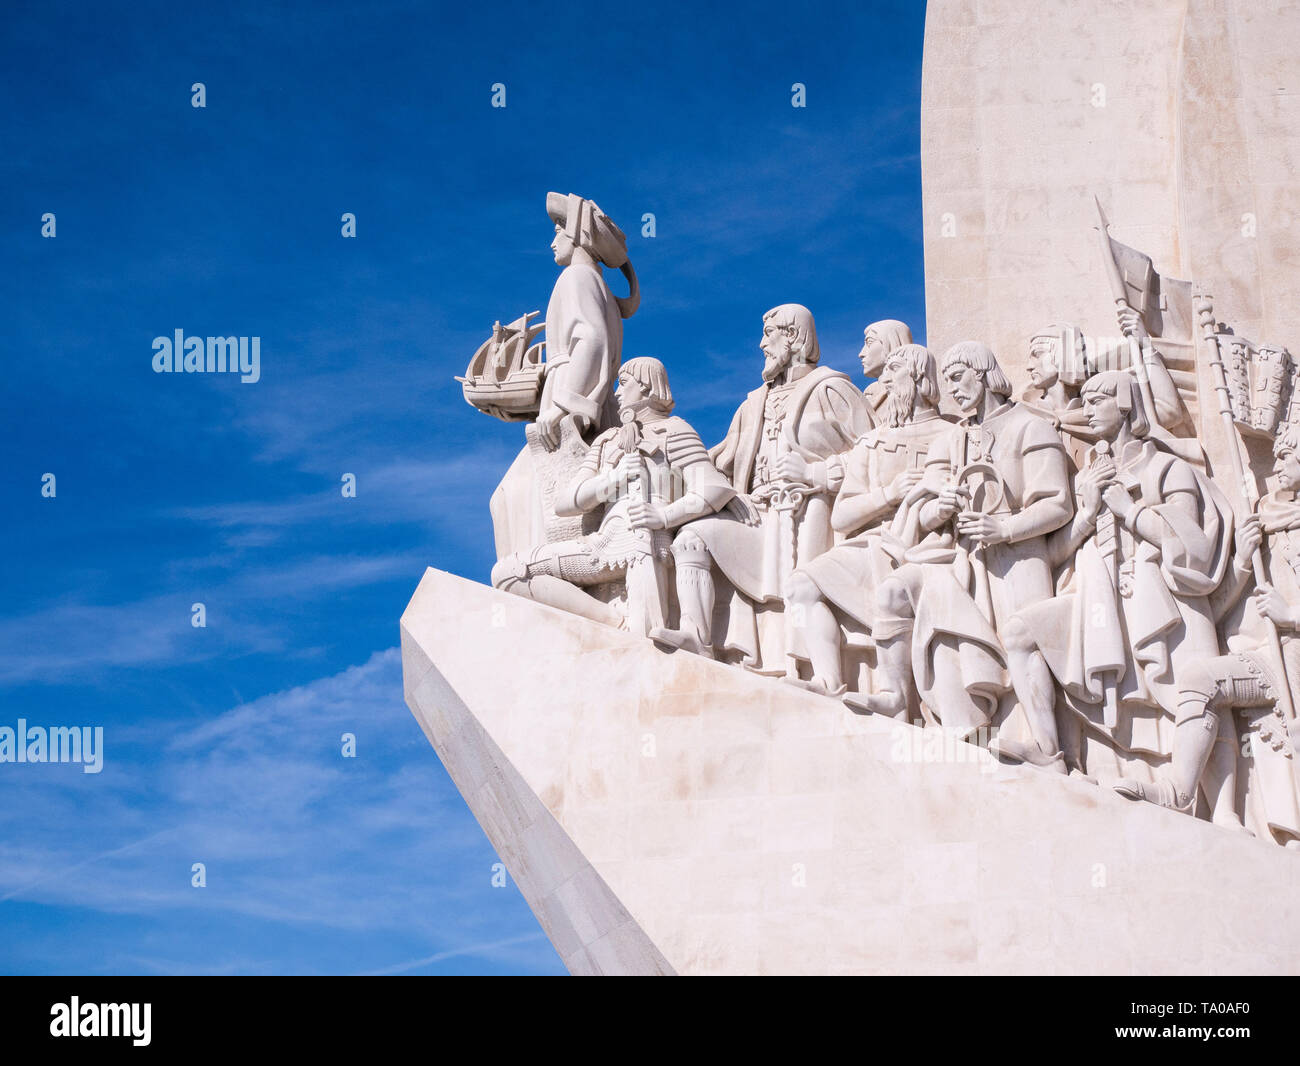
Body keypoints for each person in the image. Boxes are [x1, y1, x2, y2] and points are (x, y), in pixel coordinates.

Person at [650, 304, 870, 668]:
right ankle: (696, 637)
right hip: (758, 516)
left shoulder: (833, 389)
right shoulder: (753, 404)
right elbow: (715, 463)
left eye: (770, 334)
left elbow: (875, 454)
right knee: (692, 537)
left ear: (794, 336)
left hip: (810, 518)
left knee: (803, 594)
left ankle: (820, 671)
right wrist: (725, 492)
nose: (761, 344)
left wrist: (817, 473)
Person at [492, 358, 735, 635]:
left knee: (648, 640)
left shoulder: (674, 430)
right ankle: (614, 623)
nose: (617, 393)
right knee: (509, 572)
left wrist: (664, 516)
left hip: (649, 542)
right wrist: (613, 479)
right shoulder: (607, 440)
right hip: (603, 544)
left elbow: (713, 488)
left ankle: (634, 626)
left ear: (645, 386)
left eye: (623, 384)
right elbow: (565, 503)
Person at [785, 343, 949, 702]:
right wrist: (889, 493)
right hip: (875, 541)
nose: (884, 381)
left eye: (894, 371)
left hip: (932, 545)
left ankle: (897, 697)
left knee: (894, 594)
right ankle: (828, 682)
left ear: (919, 376)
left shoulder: (953, 436)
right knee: (801, 586)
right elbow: (842, 515)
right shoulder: (872, 443)